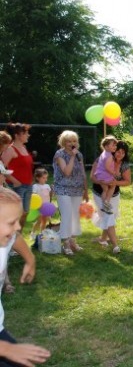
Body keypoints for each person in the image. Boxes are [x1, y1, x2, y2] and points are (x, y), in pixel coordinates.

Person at [0, 187, 51, 366]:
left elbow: (17, 239)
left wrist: (30, 260)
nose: (19, 226)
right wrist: (5, 349)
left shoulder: (5, 237)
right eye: (12, 222)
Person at [90, 141, 131, 254]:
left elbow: (128, 181)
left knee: (109, 216)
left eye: (123, 153)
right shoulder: (102, 159)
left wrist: (115, 183)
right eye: (118, 151)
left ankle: (103, 239)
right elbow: (92, 177)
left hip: (114, 194)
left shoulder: (124, 164)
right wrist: (103, 182)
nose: (120, 154)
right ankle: (115, 245)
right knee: (108, 215)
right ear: (113, 150)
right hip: (99, 193)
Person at [52, 130, 88, 256]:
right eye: (68, 141)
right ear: (63, 142)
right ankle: (66, 243)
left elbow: (83, 172)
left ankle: (73, 241)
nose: (72, 143)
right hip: (63, 189)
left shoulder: (80, 155)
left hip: (77, 189)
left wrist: (86, 189)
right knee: (67, 215)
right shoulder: (59, 154)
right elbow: (66, 172)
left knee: (74, 216)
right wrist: (72, 156)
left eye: (74, 141)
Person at [1, 123, 34, 228]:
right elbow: (2, 169)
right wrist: (15, 181)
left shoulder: (24, 148)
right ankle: (10, 240)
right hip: (16, 187)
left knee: (25, 213)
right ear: (17, 135)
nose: (28, 135)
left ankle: (16, 239)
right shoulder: (10, 149)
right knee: (16, 215)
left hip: (28, 185)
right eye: (25, 133)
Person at [93, 136, 118, 214]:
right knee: (113, 185)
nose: (115, 147)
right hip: (105, 175)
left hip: (100, 175)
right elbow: (107, 167)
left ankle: (105, 205)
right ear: (106, 146)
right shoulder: (109, 156)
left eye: (115, 145)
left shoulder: (104, 153)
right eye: (113, 145)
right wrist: (114, 173)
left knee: (105, 190)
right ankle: (106, 202)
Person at [30, 168, 52, 238]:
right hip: (39, 206)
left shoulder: (47, 186)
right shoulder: (35, 186)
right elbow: (34, 196)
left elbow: (50, 195)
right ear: (37, 178)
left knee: (44, 221)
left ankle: (42, 234)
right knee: (39, 221)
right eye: (43, 178)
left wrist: (52, 191)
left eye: (46, 178)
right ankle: (33, 233)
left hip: (46, 206)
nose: (45, 179)